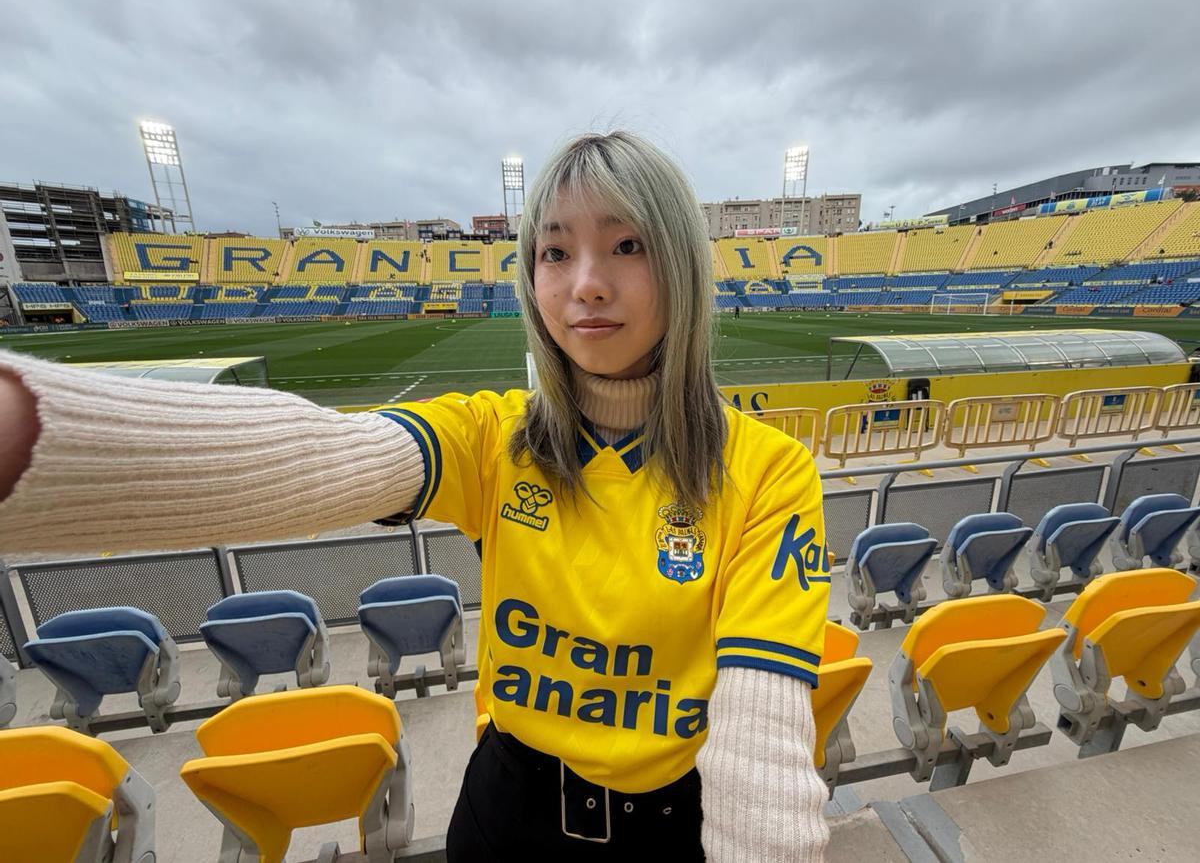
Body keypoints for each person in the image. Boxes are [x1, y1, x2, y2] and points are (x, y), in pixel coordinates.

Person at [0, 131, 830, 860]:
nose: (586, 284)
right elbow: (320, 459)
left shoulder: (766, 471)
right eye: (554, 251)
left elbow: (760, 749)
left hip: (671, 826)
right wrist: (25, 429)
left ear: (683, 263)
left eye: (627, 245)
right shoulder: (491, 437)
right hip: (505, 808)